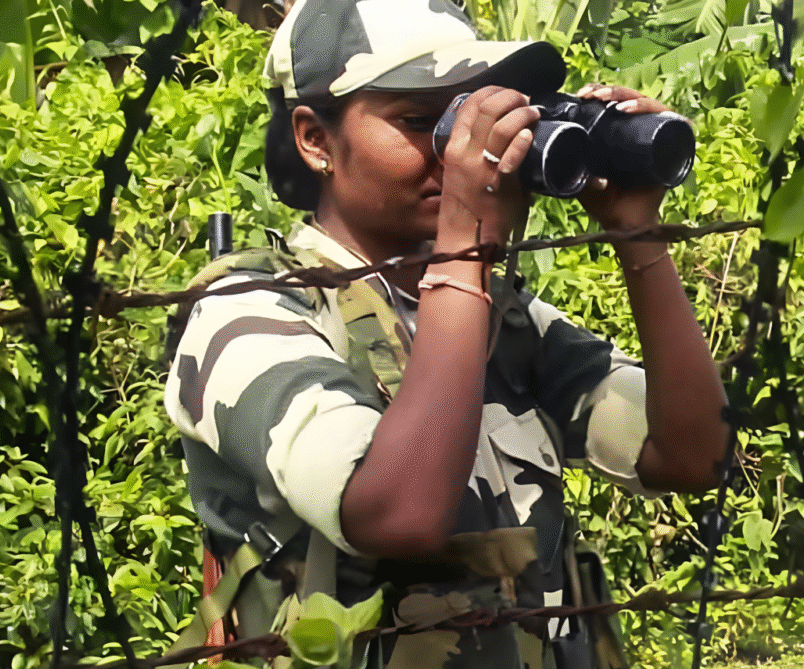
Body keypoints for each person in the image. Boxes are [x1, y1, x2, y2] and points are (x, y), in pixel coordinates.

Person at [164, 0, 730, 667]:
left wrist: (640, 237)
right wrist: (464, 249)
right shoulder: (249, 310)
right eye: (420, 122)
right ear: (316, 139)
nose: (461, 150)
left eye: (469, 116)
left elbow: (693, 455)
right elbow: (398, 513)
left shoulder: (504, 321)